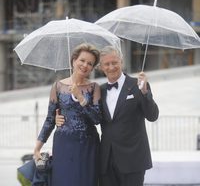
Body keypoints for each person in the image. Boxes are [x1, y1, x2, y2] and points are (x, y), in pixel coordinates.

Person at [56, 46, 159, 186]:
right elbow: (91, 117)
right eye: (107, 64)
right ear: (101, 67)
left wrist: (145, 93)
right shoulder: (100, 90)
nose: (111, 67)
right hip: (106, 161)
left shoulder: (138, 85)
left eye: (114, 62)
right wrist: (62, 119)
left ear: (121, 62)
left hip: (133, 160)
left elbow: (152, 116)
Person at [33, 43, 102, 186]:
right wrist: (37, 147)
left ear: (92, 68)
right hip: (64, 144)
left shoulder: (94, 87)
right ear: (74, 60)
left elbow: (97, 118)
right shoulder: (58, 86)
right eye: (82, 60)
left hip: (87, 145)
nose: (85, 65)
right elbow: (50, 119)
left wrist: (81, 98)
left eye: (90, 63)